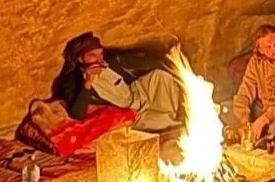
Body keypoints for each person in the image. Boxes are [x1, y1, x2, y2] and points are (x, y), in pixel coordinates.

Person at [52, 32, 184, 133]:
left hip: (136, 92)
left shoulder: (108, 62)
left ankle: (169, 112)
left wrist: (169, 61)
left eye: (100, 54)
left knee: (161, 76)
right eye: (92, 55)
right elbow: (77, 114)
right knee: (170, 124)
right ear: (80, 58)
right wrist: (87, 83)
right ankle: (167, 120)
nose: (99, 60)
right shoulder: (72, 80)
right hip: (129, 113)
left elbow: (134, 60)